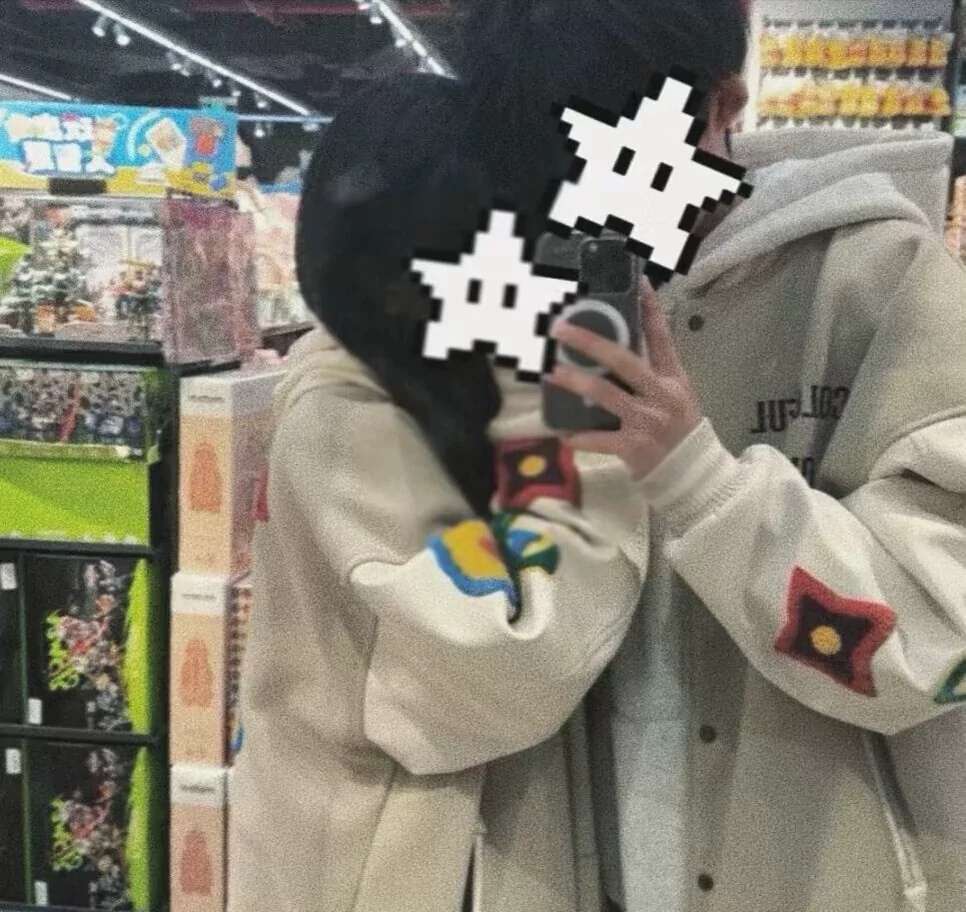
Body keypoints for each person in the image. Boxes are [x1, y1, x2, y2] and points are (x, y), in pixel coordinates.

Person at [228, 4, 966, 912]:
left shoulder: (872, 277)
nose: (590, 192)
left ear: (722, 107)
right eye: (548, 151)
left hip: (807, 865)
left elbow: (943, 629)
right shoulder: (474, 310)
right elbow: (486, 654)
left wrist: (696, 481)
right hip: (550, 862)